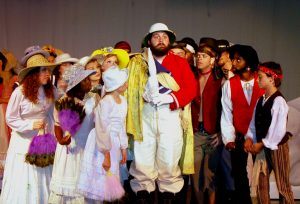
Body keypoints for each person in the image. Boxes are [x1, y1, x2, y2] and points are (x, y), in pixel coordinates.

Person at [127, 22, 197, 203]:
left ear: (170, 41)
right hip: (145, 116)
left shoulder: (179, 62)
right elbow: (130, 88)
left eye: (164, 37)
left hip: (170, 115)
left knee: (169, 162)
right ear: (149, 41)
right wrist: (142, 94)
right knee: (142, 163)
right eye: (156, 37)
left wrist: (171, 99)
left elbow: (191, 88)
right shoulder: (137, 62)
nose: (161, 40)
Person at [0, 50, 56, 203]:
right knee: (26, 177)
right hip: (24, 142)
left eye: (48, 70)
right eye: (43, 70)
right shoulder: (20, 92)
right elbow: (10, 118)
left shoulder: (49, 91)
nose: (47, 74)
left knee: (42, 175)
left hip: (42, 141)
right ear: (34, 73)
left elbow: (52, 115)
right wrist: (30, 124)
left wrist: (51, 133)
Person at [244, 62, 295, 204]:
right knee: (261, 183)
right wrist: (249, 137)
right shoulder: (261, 100)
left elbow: (278, 129)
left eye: (260, 77)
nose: (257, 80)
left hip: (277, 147)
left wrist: (264, 143)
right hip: (263, 147)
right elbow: (254, 123)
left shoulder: (278, 101)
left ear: (271, 79)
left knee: (282, 185)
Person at [77, 66, 128, 202]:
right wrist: (106, 154)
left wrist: (124, 147)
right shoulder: (106, 102)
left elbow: (122, 125)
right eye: (123, 82)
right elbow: (102, 128)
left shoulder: (123, 101)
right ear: (116, 85)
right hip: (102, 143)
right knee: (100, 178)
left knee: (112, 176)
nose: (126, 84)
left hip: (115, 142)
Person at [221, 44, 264, 204]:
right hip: (239, 138)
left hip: (261, 139)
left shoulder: (262, 82)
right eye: (234, 58)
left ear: (250, 62)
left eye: (238, 59)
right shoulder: (229, 85)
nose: (234, 61)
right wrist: (229, 139)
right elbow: (227, 114)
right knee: (240, 176)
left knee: (259, 175)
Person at [48, 64, 96, 203]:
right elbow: (57, 125)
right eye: (86, 80)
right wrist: (60, 139)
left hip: (87, 148)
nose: (90, 82)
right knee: (70, 187)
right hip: (71, 150)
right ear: (77, 84)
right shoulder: (63, 102)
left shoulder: (92, 100)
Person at [191, 40, 223, 204]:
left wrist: (221, 133)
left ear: (212, 59)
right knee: (195, 175)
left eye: (204, 56)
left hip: (213, 133)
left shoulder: (220, 80)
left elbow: (226, 110)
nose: (200, 58)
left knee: (210, 175)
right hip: (196, 131)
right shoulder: (192, 77)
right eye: (198, 56)